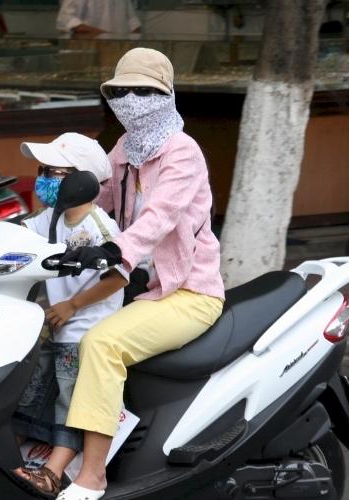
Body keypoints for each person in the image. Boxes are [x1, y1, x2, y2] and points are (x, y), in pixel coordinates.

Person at [54, 48, 225, 500]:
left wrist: (114, 250)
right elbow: (97, 200)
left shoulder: (182, 153)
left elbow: (160, 217)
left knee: (101, 344)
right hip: (139, 288)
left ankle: (92, 475)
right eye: (121, 90)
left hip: (187, 293)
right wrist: (24, 231)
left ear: (166, 96)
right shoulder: (126, 148)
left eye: (144, 91)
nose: (131, 99)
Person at [0, 132, 129, 498]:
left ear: (82, 181)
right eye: (42, 171)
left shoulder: (99, 227)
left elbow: (119, 276)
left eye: (52, 172)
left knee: (70, 402)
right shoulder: (52, 218)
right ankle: (7, 460)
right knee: (32, 392)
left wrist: (73, 305)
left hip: (84, 330)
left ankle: (53, 472)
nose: (42, 179)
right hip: (52, 327)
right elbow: (21, 231)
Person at [56, 0, 141, 37]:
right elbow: (66, 19)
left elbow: (133, 22)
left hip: (118, 51)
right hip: (88, 53)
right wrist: (107, 37)